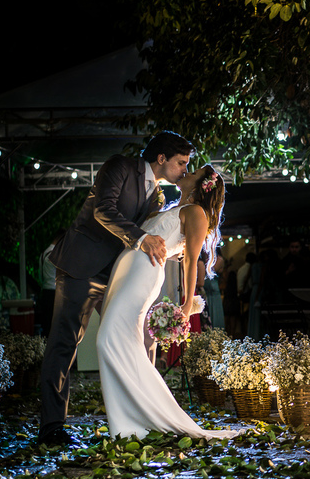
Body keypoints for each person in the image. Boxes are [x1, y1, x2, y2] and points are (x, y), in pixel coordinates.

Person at [38, 130, 194, 447]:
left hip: (116, 274)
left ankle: (138, 416)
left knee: (131, 341)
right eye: (181, 163)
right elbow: (103, 210)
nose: (185, 171)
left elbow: (156, 228)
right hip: (81, 266)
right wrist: (141, 238)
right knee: (64, 344)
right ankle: (52, 427)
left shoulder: (158, 196)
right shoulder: (120, 166)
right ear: (161, 158)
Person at [96, 164, 240, 439]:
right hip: (126, 270)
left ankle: (141, 415)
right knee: (120, 341)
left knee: (108, 339)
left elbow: (191, 260)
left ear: (202, 185)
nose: (186, 172)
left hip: (143, 274)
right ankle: (134, 418)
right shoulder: (172, 207)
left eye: (194, 172)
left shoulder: (197, 213)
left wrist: (187, 304)